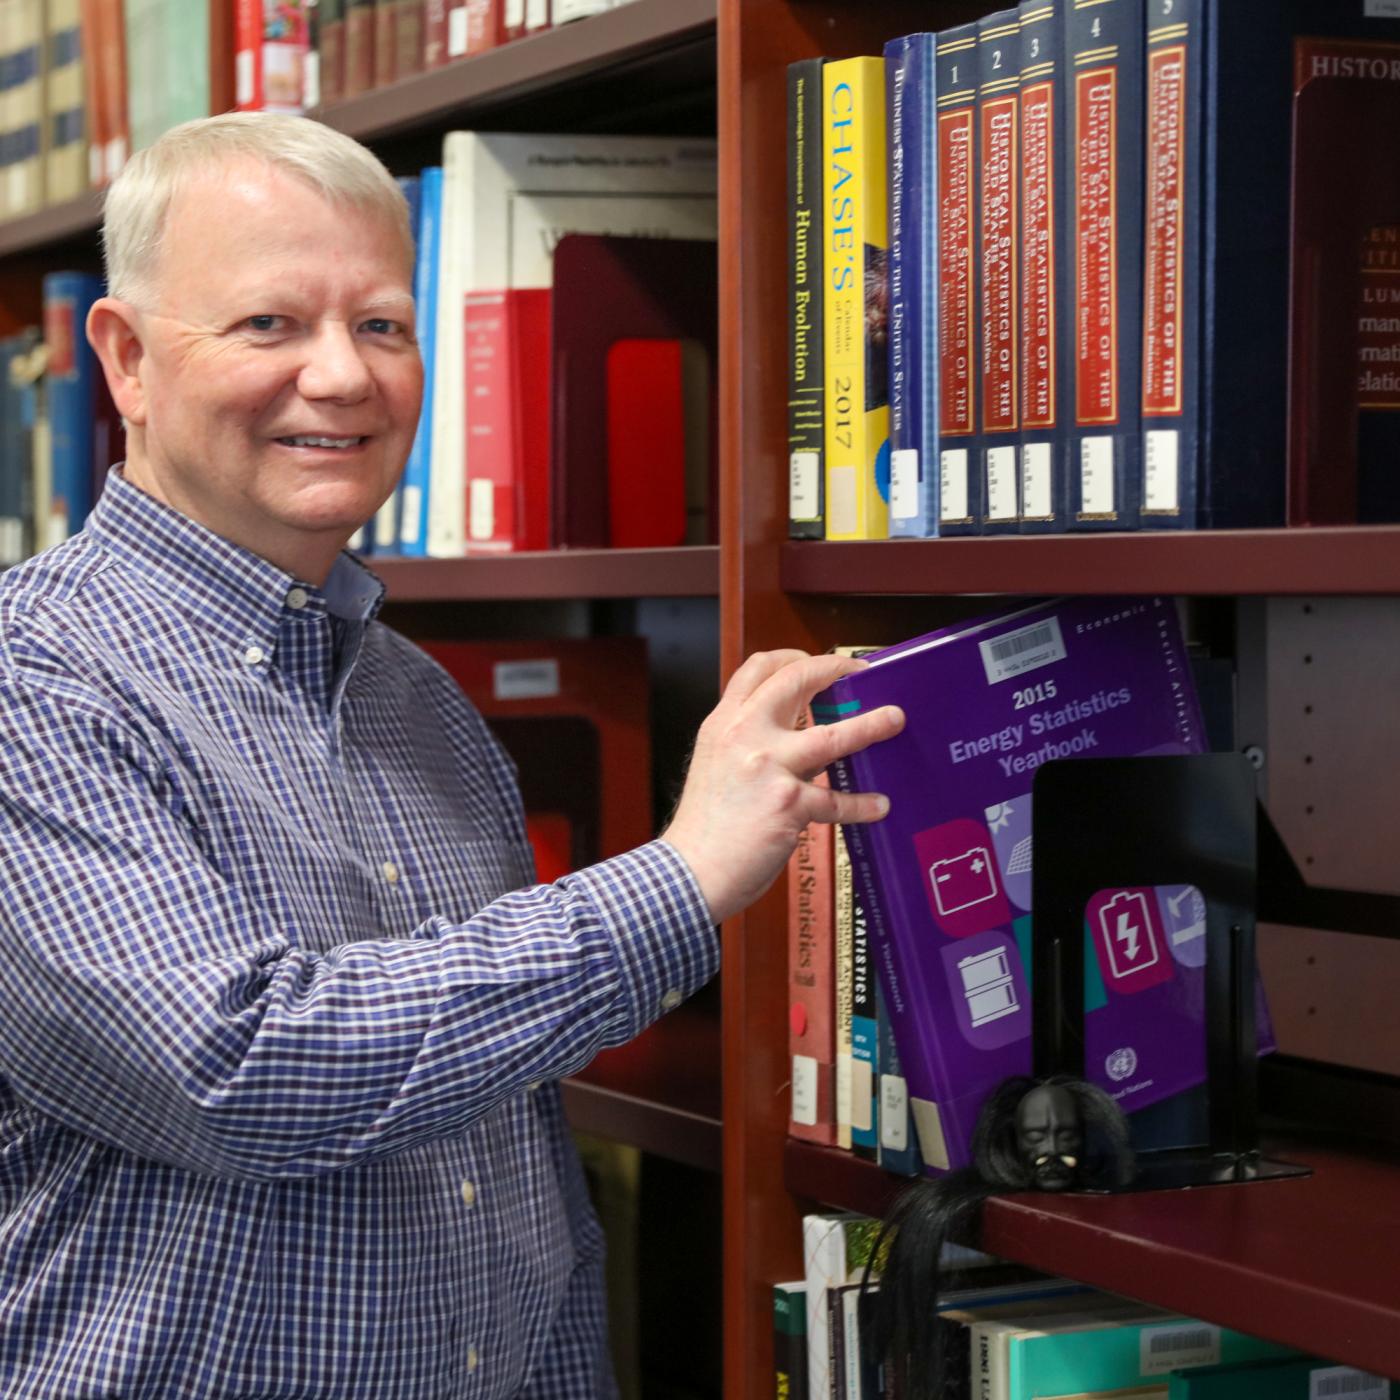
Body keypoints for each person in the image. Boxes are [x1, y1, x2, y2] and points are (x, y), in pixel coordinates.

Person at [0, 113, 902, 1397]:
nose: (343, 377)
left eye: (380, 325)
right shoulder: (33, 684)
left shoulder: (420, 702)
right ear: (128, 357)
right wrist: (681, 877)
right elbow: (243, 1072)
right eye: (269, 325)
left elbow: (503, 1151)